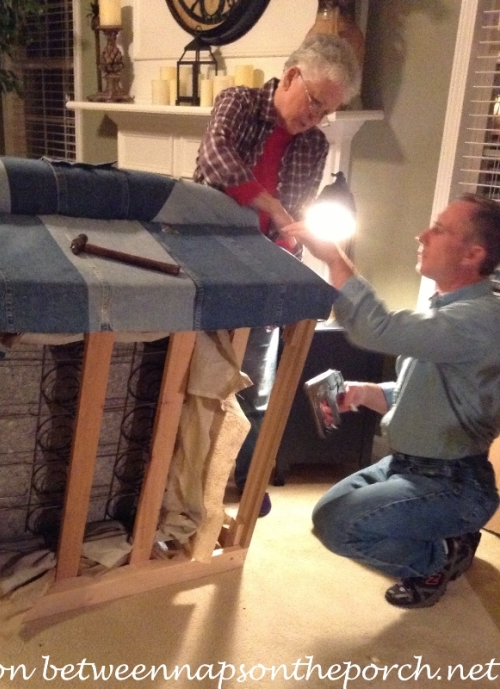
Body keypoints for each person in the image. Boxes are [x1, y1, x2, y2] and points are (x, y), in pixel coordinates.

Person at [284, 193, 500, 608]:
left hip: (453, 481)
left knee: (339, 525)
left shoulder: (480, 320)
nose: (423, 235)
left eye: (440, 229)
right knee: (329, 511)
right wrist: (366, 394)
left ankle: (437, 560)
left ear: (474, 253)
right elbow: (426, 394)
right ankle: (452, 534)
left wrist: (335, 259)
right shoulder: (448, 314)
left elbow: (376, 330)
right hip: (406, 466)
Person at [193, 33, 362, 515]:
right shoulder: (239, 104)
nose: (315, 117)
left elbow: (299, 208)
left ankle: (248, 478)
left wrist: (290, 243)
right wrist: (267, 202)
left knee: (254, 383)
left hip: (266, 266)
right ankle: (187, 478)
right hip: (211, 257)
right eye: (314, 102)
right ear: (291, 77)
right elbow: (215, 160)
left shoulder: (314, 144)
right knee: (197, 375)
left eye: (325, 111)